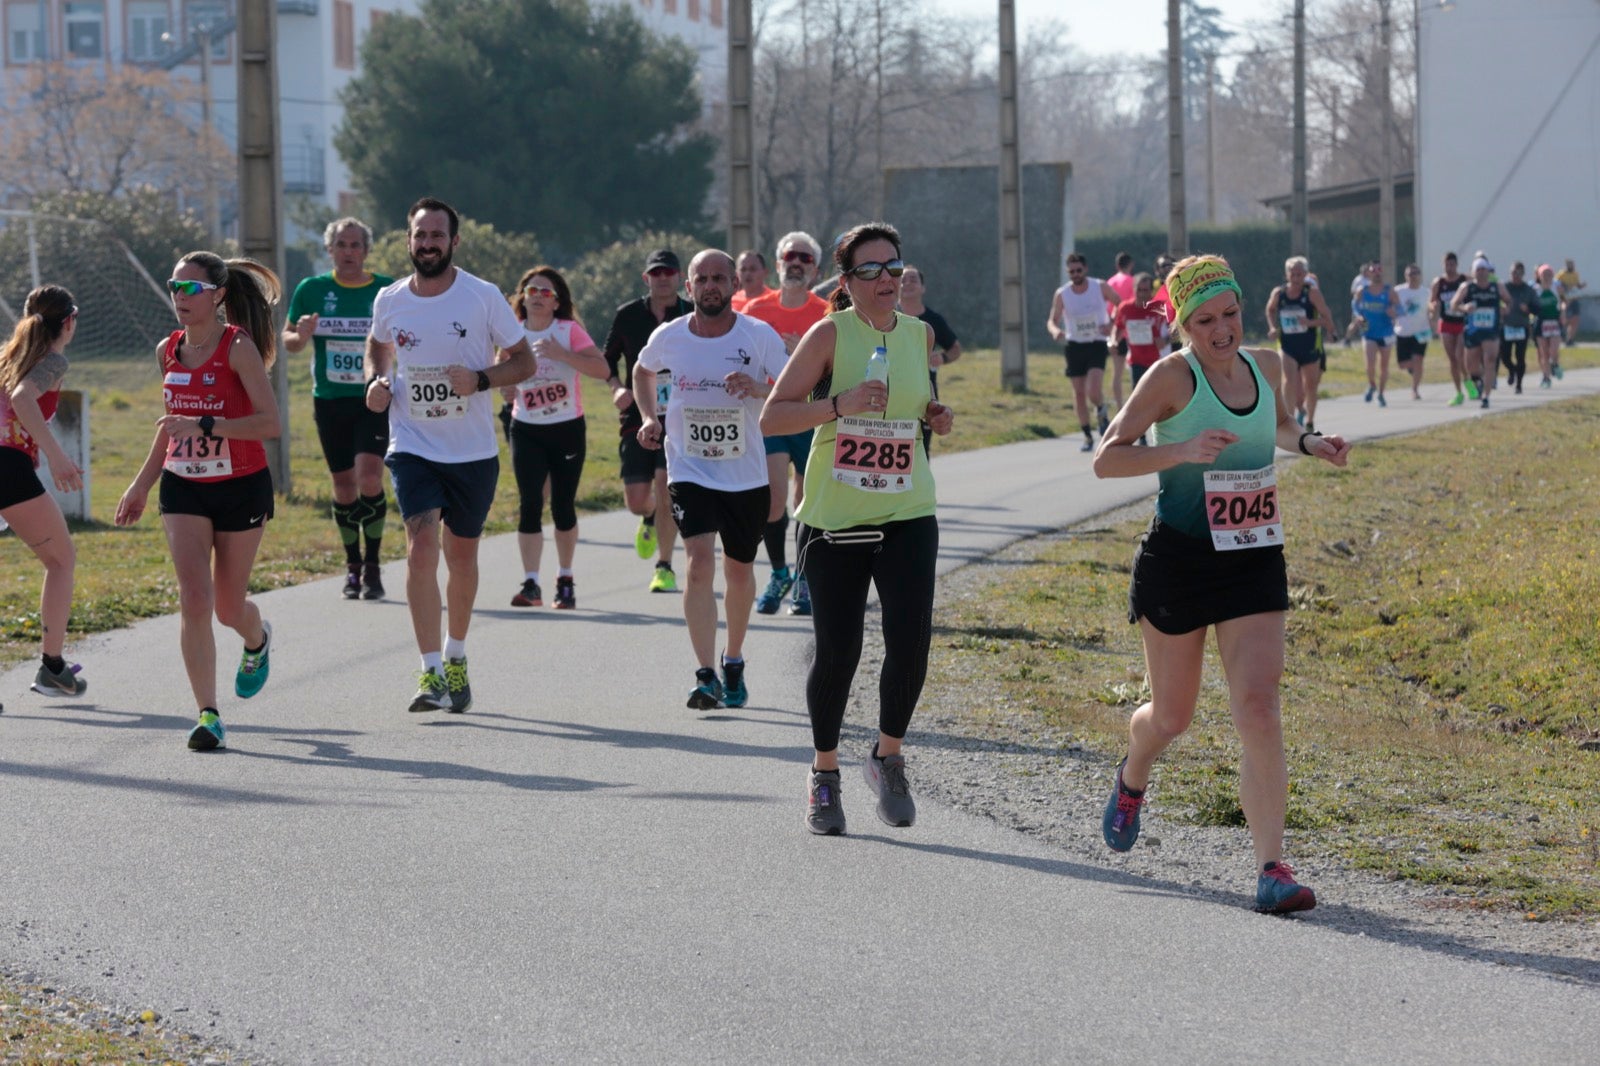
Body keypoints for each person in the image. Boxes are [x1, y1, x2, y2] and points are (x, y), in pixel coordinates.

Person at [1092, 253, 1351, 914]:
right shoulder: (1168, 378)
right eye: (1204, 320)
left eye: (1230, 314)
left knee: (1259, 706)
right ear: (1182, 324)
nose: (1222, 330)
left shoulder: (1268, 365)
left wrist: (1312, 443)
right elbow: (1107, 459)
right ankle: (1134, 772)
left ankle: (1272, 868)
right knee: (1171, 716)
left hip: (1254, 554)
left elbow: (1282, 426)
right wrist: (1178, 450)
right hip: (1179, 560)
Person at [760, 222, 954, 836]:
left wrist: (934, 414)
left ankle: (887, 756)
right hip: (836, 517)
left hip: (907, 511)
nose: (887, 279)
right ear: (846, 282)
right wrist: (837, 406)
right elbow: (773, 417)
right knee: (840, 651)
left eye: (894, 267)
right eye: (870, 270)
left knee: (910, 641)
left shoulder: (920, 335)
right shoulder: (829, 333)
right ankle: (824, 775)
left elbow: (916, 406)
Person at [362, 198, 535, 713]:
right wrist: (377, 379)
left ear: (453, 241)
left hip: (473, 451)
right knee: (420, 548)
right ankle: (430, 670)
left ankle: (457, 655)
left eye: (438, 235)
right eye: (420, 235)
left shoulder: (481, 297)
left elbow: (524, 362)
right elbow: (379, 346)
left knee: (461, 557)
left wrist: (482, 379)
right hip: (413, 445)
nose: (428, 244)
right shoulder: (391, 299)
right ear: (408, 240)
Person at [113, 253, 283, 751]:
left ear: (219, 295)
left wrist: (208, 425)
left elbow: (269, 423)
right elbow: (170, 430)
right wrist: (140, 484)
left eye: (191, 289)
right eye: (174, 287)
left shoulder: (238, 347)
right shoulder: (167, 349)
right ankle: (208, 715)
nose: (180, 298)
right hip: (182, 485)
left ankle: (257, 640)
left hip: (241, 484)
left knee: (229, 607)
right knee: (195, 598)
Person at [633, 250, 788, 710]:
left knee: (739, 572)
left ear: (733, 286)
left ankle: (733, 659)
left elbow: (792, 385)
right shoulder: (670, 336)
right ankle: (705, 675)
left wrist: (758, 388)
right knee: (699, 562)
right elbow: (643, 370)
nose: (711, 286)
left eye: (720, 278)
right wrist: (648, 416)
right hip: (690, 467)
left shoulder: (758, 336)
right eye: (702, 279)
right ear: (689, 287)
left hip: (744, 474)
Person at [282, 217, 393, 600]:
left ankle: (375, 566)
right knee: (344, 486)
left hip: (373, 398)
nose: (348, 252)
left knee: (369, 478)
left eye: (355, 245)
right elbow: (289, 340)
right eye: (341, 245)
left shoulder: (384, 290)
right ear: (329, 250)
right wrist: (301, 335)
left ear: (366, 250)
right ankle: (353, 566)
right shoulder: (313, 289)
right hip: (329, 401)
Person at [499, 267, 608, 609]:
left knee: (563, 505)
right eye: (532, 290)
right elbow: (501, 373)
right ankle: (531, 584)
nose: (537, 296)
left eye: (546, 292)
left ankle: (565, 577)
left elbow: (603, 370)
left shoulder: (568, 330)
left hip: (566, 428)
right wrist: (506, 387)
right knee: (530, 503)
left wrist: (564, 355)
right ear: (522, 296)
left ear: (557, 301)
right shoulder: (512, 333)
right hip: (526, 428)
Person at [0, 285, 87, 698]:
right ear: (68, 322)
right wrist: (57, 457)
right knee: (61, 560)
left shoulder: (6, 356)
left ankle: (53, 667)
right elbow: (21, 399)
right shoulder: (52, 361)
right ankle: (52, 667)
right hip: (7, 467)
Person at [743, 232, 831, 617]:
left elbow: (837, 368)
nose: (796, 263)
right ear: (777, 264)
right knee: (774, 498)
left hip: (812, 417)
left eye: (805, 258)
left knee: (806, 503)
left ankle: (805, 577)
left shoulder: (828, 313)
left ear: (815, 269)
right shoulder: (755, 310)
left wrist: (800, 356)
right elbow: (738, 356)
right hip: (770, 414)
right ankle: (779, 573)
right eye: (789, 256)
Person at [602, 249, 691, 593]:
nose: (663, 278)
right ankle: (650, 517)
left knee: (665, 485)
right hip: (636, 415)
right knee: (638, 500)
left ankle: (664, 566)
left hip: (679, 415)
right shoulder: (628, 315)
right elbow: (606, 359)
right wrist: (615, 389)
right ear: (646, 278)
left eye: (669, 271)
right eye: (656, 273)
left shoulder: (689, 313)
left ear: (679, 276)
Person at [1046, 253, 1122, 452]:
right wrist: (1055, 331)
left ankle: (1101, 409)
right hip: (1074, 345)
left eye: (1079, 270)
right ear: (1067, 272)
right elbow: (1052, 320)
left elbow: (1119, 304)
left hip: (1096, 342)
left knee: (1093, 390)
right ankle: (1087, 435)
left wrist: (1111, 324)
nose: (1076, 274)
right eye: (1072, 272)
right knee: (1079, 393)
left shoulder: (1099, 286)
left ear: (1085, 269)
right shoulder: (1062, 294)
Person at [896, 263, 961, 455]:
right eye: (903, 280)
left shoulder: (934, 320)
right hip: (892, 397)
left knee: (920, 455)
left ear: (923, 288)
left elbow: (955, 349)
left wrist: (942, 357)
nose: (907, 283)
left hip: (924, 398)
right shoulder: (886, 317)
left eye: (913, 279)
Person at [1264, 257, 1335, 429]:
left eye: (1299, 273)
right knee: (1288, 380)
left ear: (1305, 274)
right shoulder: (1278, 293)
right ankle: (1291, 421)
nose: (1295, 277)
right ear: (1287, 274)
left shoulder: (1312, 293)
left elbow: (1326, 317)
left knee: (1310, 386)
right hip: (1287, 345)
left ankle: (1310, 420)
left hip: (1309, 345)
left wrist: (1312, 323)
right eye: (1292, 273)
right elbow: (1270, 309)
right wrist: (1273, 327)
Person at [1449, 256, 1512, 410]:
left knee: (1490, 359)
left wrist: (1506, 309)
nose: (1482, 272)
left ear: (1488, 271)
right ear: (1473, 272)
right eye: (1478, 269)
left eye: (1484, 269)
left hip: (1491, 329)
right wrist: (1465, 308)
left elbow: (1509, 300)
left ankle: (1486, 396)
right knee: (1471, 366)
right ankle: (1479, 379)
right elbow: (1453, 304)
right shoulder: (1467, 287)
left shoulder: (1497, 286)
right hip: (1473, 330)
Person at [1353, 262, 1400, 407]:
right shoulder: (1362, 290)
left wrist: (1393, 311)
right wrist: (1358, 316)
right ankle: (1372, 384)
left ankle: (1381, 393)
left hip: (1385, 331)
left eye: (1379, 272)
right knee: (1370, 364)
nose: (1377, 274)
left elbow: (1399, 308)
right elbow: (1354, 305)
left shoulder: (1389, 291)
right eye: (1374, 272)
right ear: (1369, 274)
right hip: (1368, 330)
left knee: (1384, 366)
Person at [1430, 252, 1470, 405]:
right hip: (1446, 323)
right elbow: (1431, 301)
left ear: (1456, 265)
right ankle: (1458, 392)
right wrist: (1433, 307)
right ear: (1443, 265)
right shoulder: (1438, 282)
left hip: (1462, 323)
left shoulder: (1463, 280)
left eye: (1452, 265)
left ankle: (1467, 380)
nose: (1449, 268)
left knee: (1460, 356)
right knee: (1452, 359)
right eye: (1447, 265)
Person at [1393, 263, 1433, 401]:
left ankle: (1415, 389)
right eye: (1410, 274)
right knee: (1402, 364)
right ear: (1406, 276)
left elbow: (1431, 309)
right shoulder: (1398, 291)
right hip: (1403, 331)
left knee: (1418, 360)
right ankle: (1414, 369)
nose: (1413, 276)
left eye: (1416, 273)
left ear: (1420, 276)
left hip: (1421, 331)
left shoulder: (1426, 292)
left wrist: (1433, 317)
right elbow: (1391, 306)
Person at [1500, 262, 1539, 395]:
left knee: (1520, 356)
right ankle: (1512, 370)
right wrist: (1501, 310)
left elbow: (1537, 308)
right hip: (1506, 326)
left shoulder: (1528, 290)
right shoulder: (1504, 287)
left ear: (1522, 274)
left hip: (1522, 326)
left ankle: (1519, 384)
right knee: (1504, 356)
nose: (1515, 276)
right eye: (1512, 273)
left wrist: (1528, 309)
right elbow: (1496, 302)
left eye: (1518, 273)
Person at [1106, 252, 1137, 409]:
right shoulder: (1132, 282)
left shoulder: (1110, 282)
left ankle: (1119, 407)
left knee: (1117, 373)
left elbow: (1108, 308)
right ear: (1130, 265)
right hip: (1132, 332)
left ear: (1117, 265)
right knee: (1135, 372)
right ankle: (1134, 407)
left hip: (1115, 331)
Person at [1534, 264, 1564, 387]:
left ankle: (1555, 364)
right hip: (1541, 322)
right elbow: (1532, 305)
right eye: (1544, 275)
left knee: (1554, 350)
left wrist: (1564, 312)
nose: (1547, 277)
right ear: (1539, 276)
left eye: (1549, 274)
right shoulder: (1535, 290)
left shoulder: (1557, 288)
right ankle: (1546, 378)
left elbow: (1564, 301)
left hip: (1554, 321)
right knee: (1544, 352)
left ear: (1552, 275)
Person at [1556, 258, 1585, 346]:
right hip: (1565, 299)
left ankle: (1570, 339)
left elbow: (1577, 285)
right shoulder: (1561, 274)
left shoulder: (1575, 274)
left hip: (1574, 298)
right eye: (1569, 264)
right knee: (1564, 318)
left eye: (1572, 264)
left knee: (1575, 318)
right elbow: (1556, 284)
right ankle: (1560, 333)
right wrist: (1564, 287)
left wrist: (1581, 286)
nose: (1571, 266)